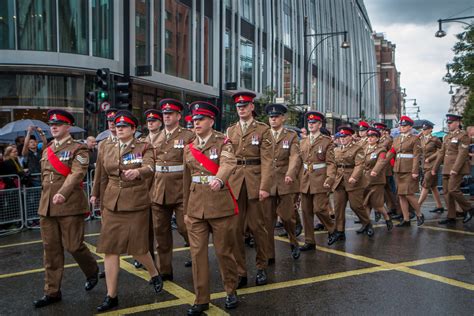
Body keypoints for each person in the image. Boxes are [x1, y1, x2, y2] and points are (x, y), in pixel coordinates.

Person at [92, 110, 163, 312]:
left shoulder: (144, 146)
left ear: (133, 129)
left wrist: (138, 171)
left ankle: (154, 272)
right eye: (117, 125)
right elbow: (100, 172)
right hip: (112, 202)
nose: (119, 128)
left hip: (135, 202)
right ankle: (111, 295)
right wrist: (95, 194)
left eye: (124, 126)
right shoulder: (106, 146)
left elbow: (151, 167)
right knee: (110, 249)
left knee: (137, 248)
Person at [33, 109, 99, 308]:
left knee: (73, 246)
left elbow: (77, 174)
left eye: (58, 124)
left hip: (69, 204)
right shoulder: (47, 149)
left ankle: (92, 270)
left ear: (68, 126)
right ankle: (52, 291)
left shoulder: (79, 149)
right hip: (48, 206)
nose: (53, 127)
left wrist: (63, 192)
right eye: (51, 124)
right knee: (50, 250)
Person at [183, 101, 239, 315]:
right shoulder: (189, 146)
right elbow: (185, 180)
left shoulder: (223, 142)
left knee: (224, 252)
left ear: (211, 121)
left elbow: (228, 163)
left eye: (201, 119)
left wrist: (219, 179)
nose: (196, 123)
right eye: (194, 120)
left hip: (219, 205)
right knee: (197, 255)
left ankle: (230, 290)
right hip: (196, 208)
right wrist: (186, 210)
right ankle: (201, 298)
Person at [226, 91, 271, 288]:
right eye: (238, 106)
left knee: (258, 227)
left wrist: (265, 186)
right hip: (235, 182)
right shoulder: (230, 131)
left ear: (252, 107)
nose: (241, 108)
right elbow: (227, 159)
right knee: (235, 229)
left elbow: (268, 161)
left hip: (255, 181)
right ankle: (240, 271)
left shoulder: (262, 129)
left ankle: (261, 267)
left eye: (245, 105)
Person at [149, 99, 194, 280]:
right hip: (159, 189)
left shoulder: (188, 135)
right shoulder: (156, 137)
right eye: (164, 114)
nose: (166, 116)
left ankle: (196, 253)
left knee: (185, 228)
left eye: (170, 114)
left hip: (181, 188)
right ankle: (165, 270)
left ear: (178, 116)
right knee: (161, 232)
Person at [262, 103, 301, 262]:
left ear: (283, 118)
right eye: (271, 117)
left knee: (287, 217)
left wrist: (291, 173)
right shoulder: (263, 135)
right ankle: (270, 254)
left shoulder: (290, 136)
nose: (273, 119)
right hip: (268, 182)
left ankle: (293, 240)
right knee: (267, 221)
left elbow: (294, 157)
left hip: (286, 181)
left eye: (276, 117)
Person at [299, 111, 338, 251]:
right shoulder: (303, 141)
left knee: (319, 208)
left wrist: (330, 178)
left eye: (314, 123)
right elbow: (299, 162)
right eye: (309, 123)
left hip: (320, 179)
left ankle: (333, 229)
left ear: (320, 124)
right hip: (305, 179)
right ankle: (309, 241)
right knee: (306, 211)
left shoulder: (326, 141)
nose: (311, 125)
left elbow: (331, 163)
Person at [332, 126, 372, 239]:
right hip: (339, 180)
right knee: (338, 206)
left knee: (356, 205)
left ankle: (367, 223)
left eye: (345, 136)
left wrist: (354, 176)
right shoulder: (336, 150)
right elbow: (333, 165)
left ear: (350, 137)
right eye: (341, 137)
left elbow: (360, 164)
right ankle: (340, 231)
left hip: (353, 180)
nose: (342, 139)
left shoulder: (357, 148)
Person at [432, 114, 472, 224]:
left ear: (458, 123)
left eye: (451, 122)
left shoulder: (463, 135)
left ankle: (469, 209)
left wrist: (455, 169)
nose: (448, 124)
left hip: (456, 168)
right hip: (446, 168)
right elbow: (441, 153)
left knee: (453, 189)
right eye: (448, 123)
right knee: (446, 192)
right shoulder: (447, 136)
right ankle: (451, 216)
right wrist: (435, 168)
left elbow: (462, 154)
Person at [386, 116, 424, 227]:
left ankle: (419, 214)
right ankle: (406, 219)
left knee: (408, 194)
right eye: (401, 126)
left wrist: (415, 171)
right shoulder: (396, 139)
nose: (402, 127)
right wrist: (381, 163)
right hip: (398, 169)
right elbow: (392, 153)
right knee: (401, 195)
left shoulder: (414, 139)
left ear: (410, 127)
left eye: (404, 126)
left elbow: (417, 156)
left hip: (409, 170)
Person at [361, 128, 393, 230]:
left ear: (377, 138)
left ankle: (387, 218)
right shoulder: (364, 148)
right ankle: (366, 225)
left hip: (376, 181)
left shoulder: (381, 150)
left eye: (373, 137)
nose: (370, 139)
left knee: (377, 204)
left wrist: (375, 170)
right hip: (365, 180)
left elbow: (381, 161)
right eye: (369, 137)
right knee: (365, 203)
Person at [374, 122, 399, 219]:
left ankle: (393, 208)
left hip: (387, 167)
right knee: (385, 190)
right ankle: (389, 207)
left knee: (388, 189)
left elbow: (389, 152)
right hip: (380, 167)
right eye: (377, 130)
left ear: (384, 131)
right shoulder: (379, 140)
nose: (378, 131)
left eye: (380, 130)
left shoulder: (388, 140)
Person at [417, 122, 444, 213]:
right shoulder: (421, 139)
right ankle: (439, 206)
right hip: (424, 166)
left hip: (433, 165)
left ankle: (417, 207)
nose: (423, 131)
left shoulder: (435, 139)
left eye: (425, 129)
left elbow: (441, 151)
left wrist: (430, 158)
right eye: (423, 129)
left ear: (430, 129)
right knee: (433, 187)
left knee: (425, 185)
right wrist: (418, 135)